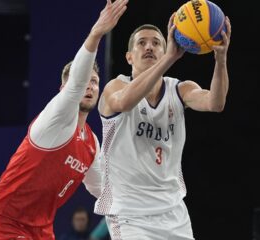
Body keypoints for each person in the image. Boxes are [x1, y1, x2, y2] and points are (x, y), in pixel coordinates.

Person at [0, 0, 128, 239]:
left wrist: (142, 207)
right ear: (63, 89)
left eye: (95, 82)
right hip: (4, 221)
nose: (89, 86)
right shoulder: (55, 118)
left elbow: (103, 191)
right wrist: (96, 34)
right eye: (84, 80)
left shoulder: (91, 143)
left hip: (41, 230)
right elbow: (76, 83)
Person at [94, 12, 231, 240]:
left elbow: (215, 103)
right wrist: (168, 59)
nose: (149, 47)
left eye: (157, 43)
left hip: (173, 211)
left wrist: (221, 61)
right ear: (129, 57)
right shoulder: (115, 87)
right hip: (129, 213)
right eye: (142, 43)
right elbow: (125, 103)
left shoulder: (179, 90)